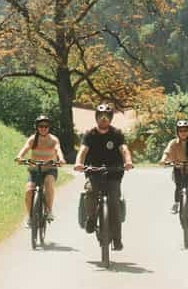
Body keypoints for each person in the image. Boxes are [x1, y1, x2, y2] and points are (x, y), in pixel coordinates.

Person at [74, 103, 133, 251]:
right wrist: (78, 163)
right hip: (93, 172)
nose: (104, 119)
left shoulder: (117, 134)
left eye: (107, 116)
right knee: (90, 191)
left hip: (114, 172)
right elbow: (82, 151)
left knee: (114, 203)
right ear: (96, 118)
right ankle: (92, 218)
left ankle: (117, 239)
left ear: (111, 118)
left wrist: (128, 161)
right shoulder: (90, 134)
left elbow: (124, 149)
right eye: (101, 116)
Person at [15, 115, 65, 226]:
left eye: (46, 126)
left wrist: (61, 159)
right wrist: (19, 157)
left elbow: (58, 150)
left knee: (48, 182)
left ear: (49, 127)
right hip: (34, 170)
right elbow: (26, 147)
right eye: (41, 126)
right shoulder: (33, 139)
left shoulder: (53, 139)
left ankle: (49, 211)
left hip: (50, 169)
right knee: (28, 191)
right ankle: (30, 217)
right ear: (37, 127)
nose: (43, 128)